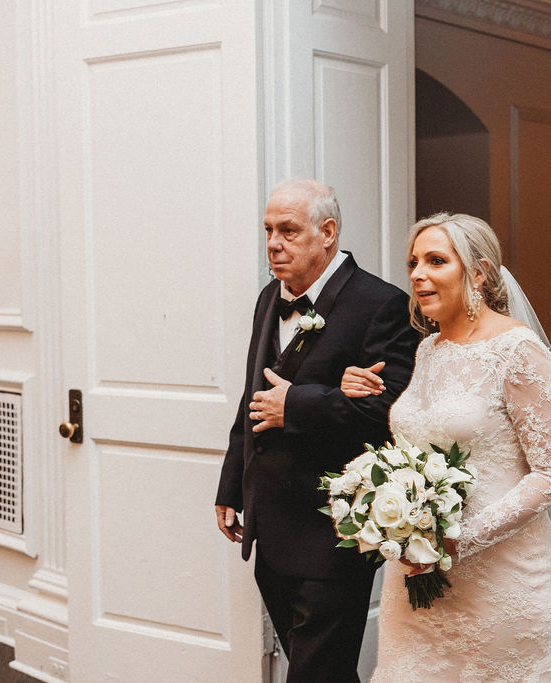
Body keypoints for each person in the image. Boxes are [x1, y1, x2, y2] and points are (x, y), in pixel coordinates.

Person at [339, 213, 551, 682]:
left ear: (478, 272)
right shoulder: (428, 350)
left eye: (436, 260)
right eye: (413, 262)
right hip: (417, 580)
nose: (418, 274)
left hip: (501, 584)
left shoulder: (517, 351)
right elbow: (422, 439)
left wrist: (460, 539)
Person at [214, 180, 419, 682]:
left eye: (288, 230)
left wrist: (297, 405)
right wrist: (231, 482)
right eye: (268, 231)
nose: (273, 244)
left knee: (315, 674)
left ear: (327, 233)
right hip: (271, 525)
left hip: (333, 531)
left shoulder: (382, 304)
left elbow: (392, 412)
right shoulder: (269, 299)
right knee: (321, 673)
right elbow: (251, 396)